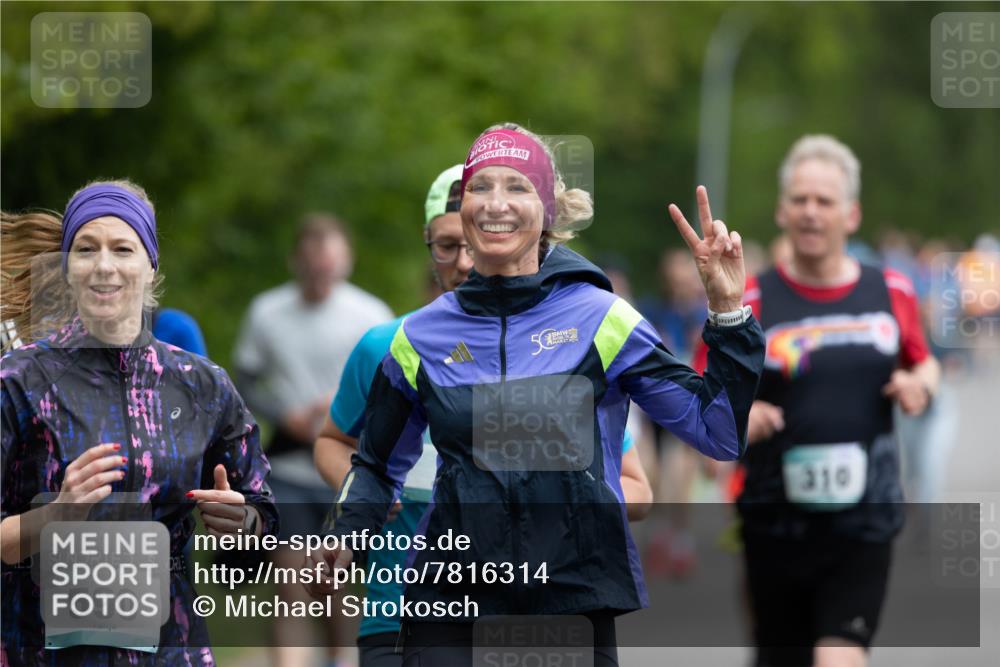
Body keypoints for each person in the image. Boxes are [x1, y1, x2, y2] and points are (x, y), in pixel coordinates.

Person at [308, 123, 765, 666]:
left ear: (548, 212)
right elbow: (378, 466)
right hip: (450, 601)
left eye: (517, 187)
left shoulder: (601, 319)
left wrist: (728, 314)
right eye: (481, 187)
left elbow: (715, 428)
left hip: (569, 599)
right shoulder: (419, 338)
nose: (495, 203)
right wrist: (344, 534)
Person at [311, 165, 653, 667]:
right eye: (447, 245)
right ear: (429, 246)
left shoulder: (555, 356)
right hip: (399, 606)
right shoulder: (389, 346)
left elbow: (637, 488)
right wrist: (368, 495)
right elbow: (332, 440)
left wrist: (553, 493)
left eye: (471, 242)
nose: (465, 261)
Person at [0, 183, 277, 666]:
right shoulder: (19, 381)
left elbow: (260, 531)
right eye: (86, 249)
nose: (104, 265)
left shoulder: (202, 385)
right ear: (66, 270)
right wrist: (56, 516)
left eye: (123, 249)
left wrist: (242, 526)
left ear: (150, 267)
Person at [720, 135, 940, 667]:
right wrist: (743, 418)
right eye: (800, 200)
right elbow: (710, 398)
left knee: (839, 656)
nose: (811, 212)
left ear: (852, 214)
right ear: (781, 210)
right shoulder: (750, 299)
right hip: (775, 520)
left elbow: (923, 360)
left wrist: (921, 385)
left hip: (865, 519)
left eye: (825, 201)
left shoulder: (891, 292)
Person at [232, 212, 392, 666]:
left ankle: (342, 656)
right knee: (290, 580)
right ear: (296, 262)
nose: (321, 274)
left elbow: (392, 392)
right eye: (313, 265)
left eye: (330, 265)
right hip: (286, 467)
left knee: (332, 583)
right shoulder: (267, 311)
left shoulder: (371, 315)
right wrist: (287, 415)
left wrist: (343, 410)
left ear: (346, 262)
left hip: (346, 468)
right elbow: (242, 382)